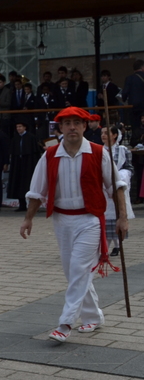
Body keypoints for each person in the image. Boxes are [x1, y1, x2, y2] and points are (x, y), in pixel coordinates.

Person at [20, 107, 128, 343]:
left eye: (77, 123)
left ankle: (65, 323)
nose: (72, 127)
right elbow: (37, 190)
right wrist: (28, 218)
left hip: (90, 220)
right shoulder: (50, 155)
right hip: (61, 220)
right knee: (73, 272)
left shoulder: (99, 153)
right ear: (60, 128)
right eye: (67, 123)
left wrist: (122, 217)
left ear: (84, 126)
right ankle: (94, 316)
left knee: (79, 269)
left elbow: (116, 185)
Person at [101, 125, 134, 257]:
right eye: (102, 133)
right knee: (106, 220)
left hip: (118, 186)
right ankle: (106, 248)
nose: (103, 135)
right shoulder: (99, 150)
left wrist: (120, 176)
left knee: (116, 217)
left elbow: (129, 168)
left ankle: (116, 245)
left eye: (106, 133)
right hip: (104, 188)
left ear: (114, 135)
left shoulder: (122, 150)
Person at [8, 122, 44, 212]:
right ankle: (22, 205)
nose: (18, 128)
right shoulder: (15, 138)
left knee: (29, 184)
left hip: (29, 164)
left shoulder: (31, 137)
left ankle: (33, 205)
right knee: (19, 184)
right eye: (17, 127)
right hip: (18, 164)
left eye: (20, 126)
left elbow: (35, 152)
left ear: (25, 127)